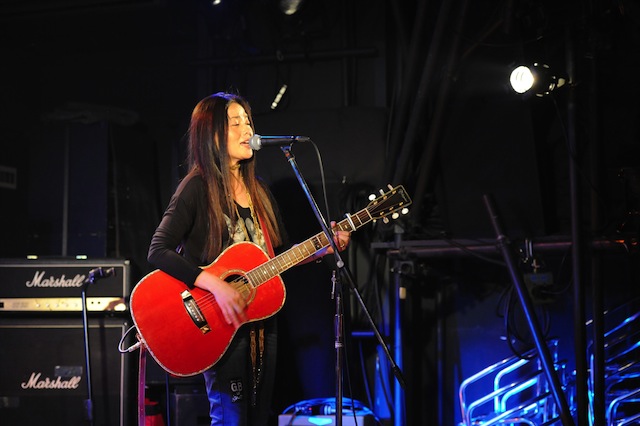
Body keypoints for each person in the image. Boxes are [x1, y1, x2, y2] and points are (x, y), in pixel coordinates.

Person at [147, 91, 351, 425]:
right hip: (217, 321)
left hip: (260, 322)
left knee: (257, 418)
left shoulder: (260, 192)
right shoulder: (196, 187)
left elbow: (275, 257)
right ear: (212, 134)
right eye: (235, 123)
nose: (247, 130)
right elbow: (158, 250)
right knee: (231, 418)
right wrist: (216, 285)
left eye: (248, 122)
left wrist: (322, 249)